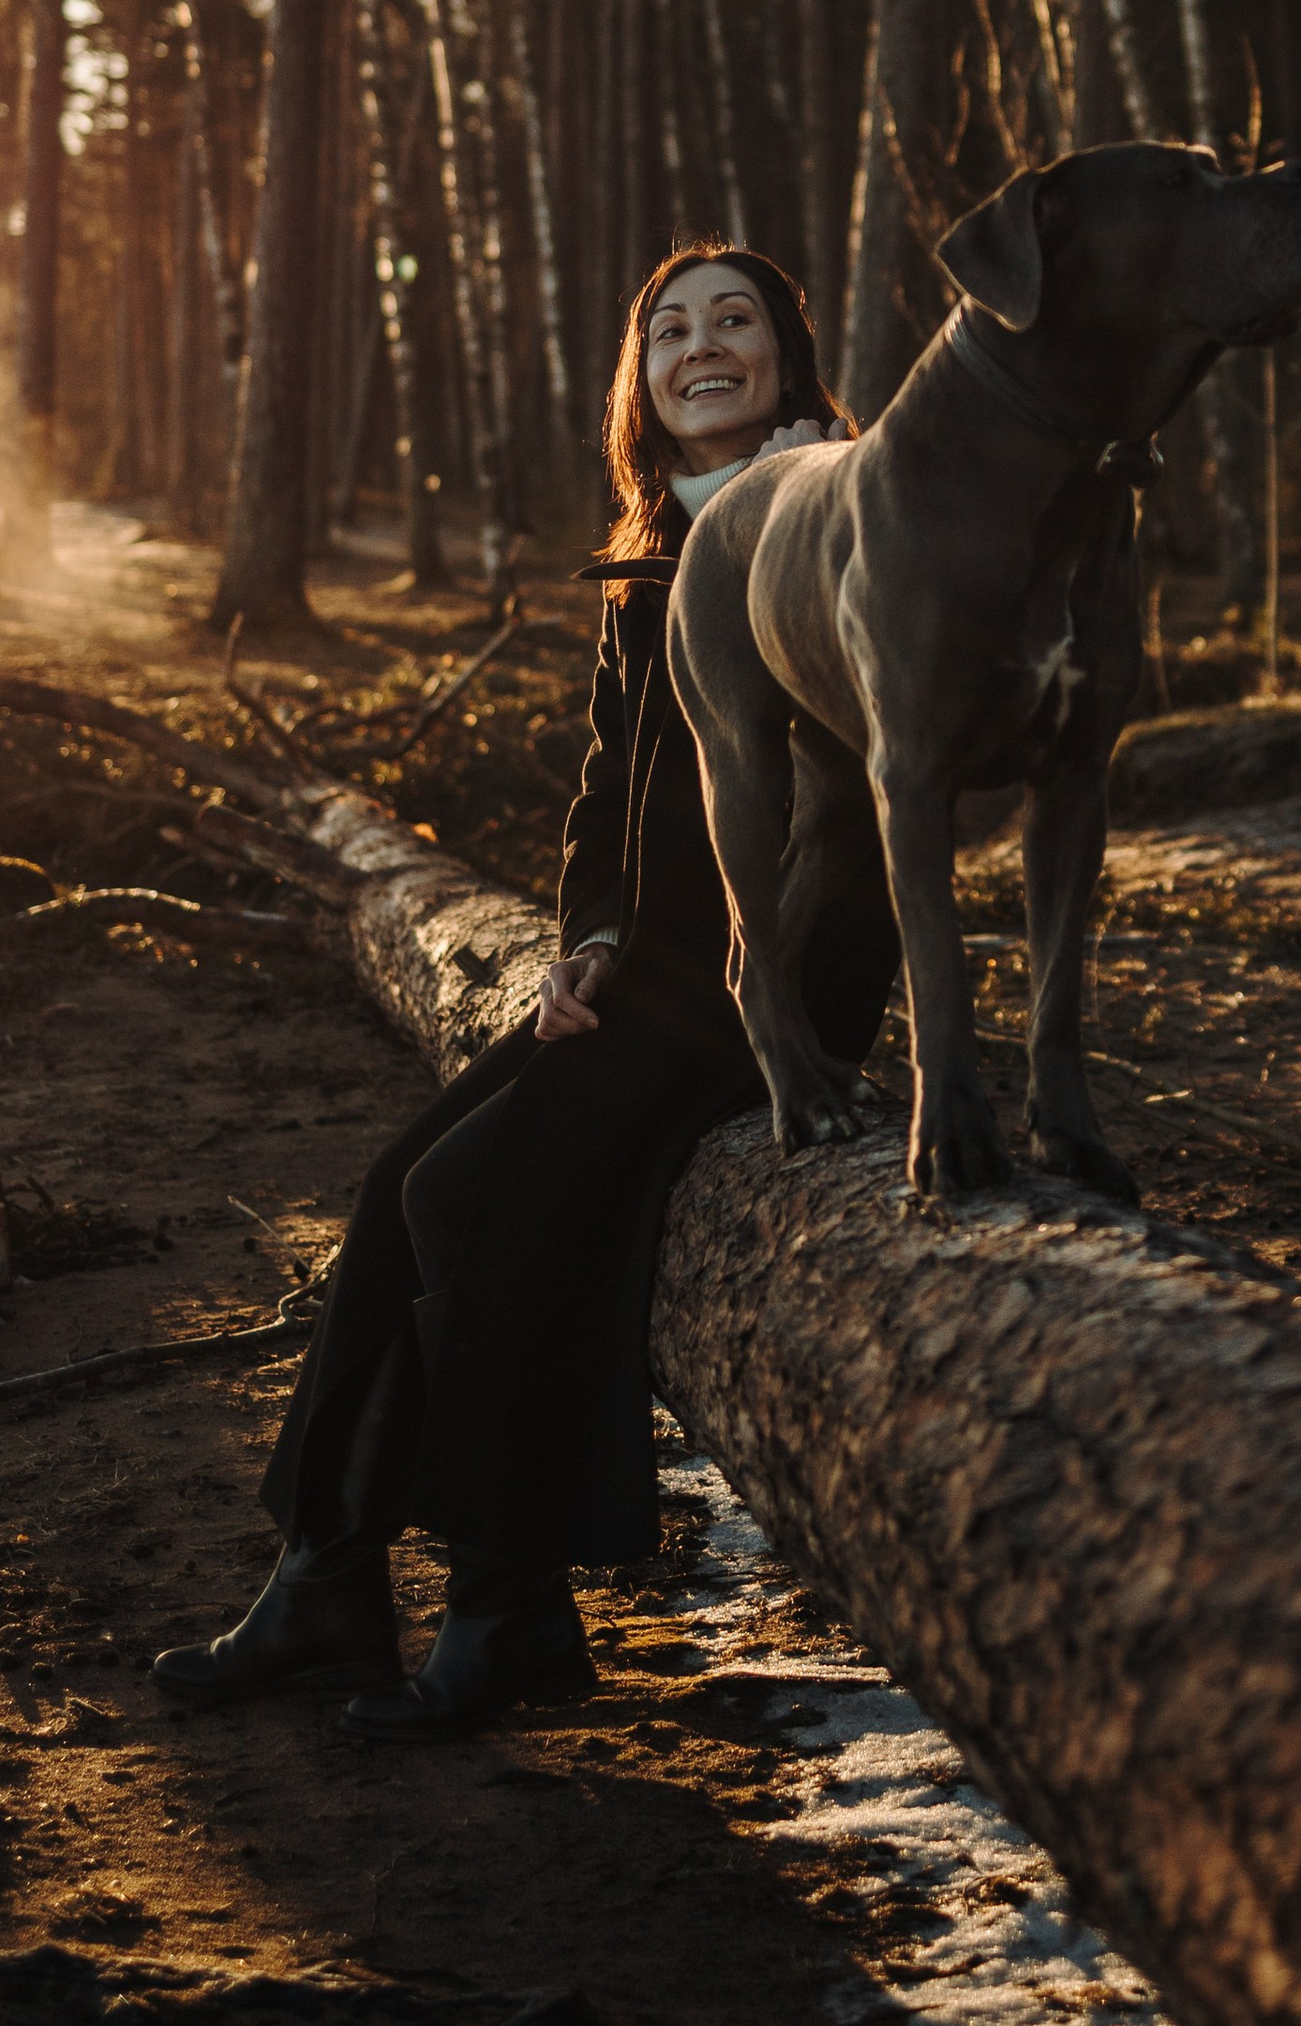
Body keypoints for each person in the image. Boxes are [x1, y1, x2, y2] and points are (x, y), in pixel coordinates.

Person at [151, 244, 895, 1739]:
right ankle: (326, 1580)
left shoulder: (847, 510)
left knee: (484, 1199)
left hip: (781, 978)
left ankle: (509, 1614)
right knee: (394, 1185)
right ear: (641, 380)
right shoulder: (648, 552)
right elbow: (607, 792)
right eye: (670, 330)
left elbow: (874, 774)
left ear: (790, 357)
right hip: (658, 975)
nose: (702, 347)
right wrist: (592, 940)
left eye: (736, 322)